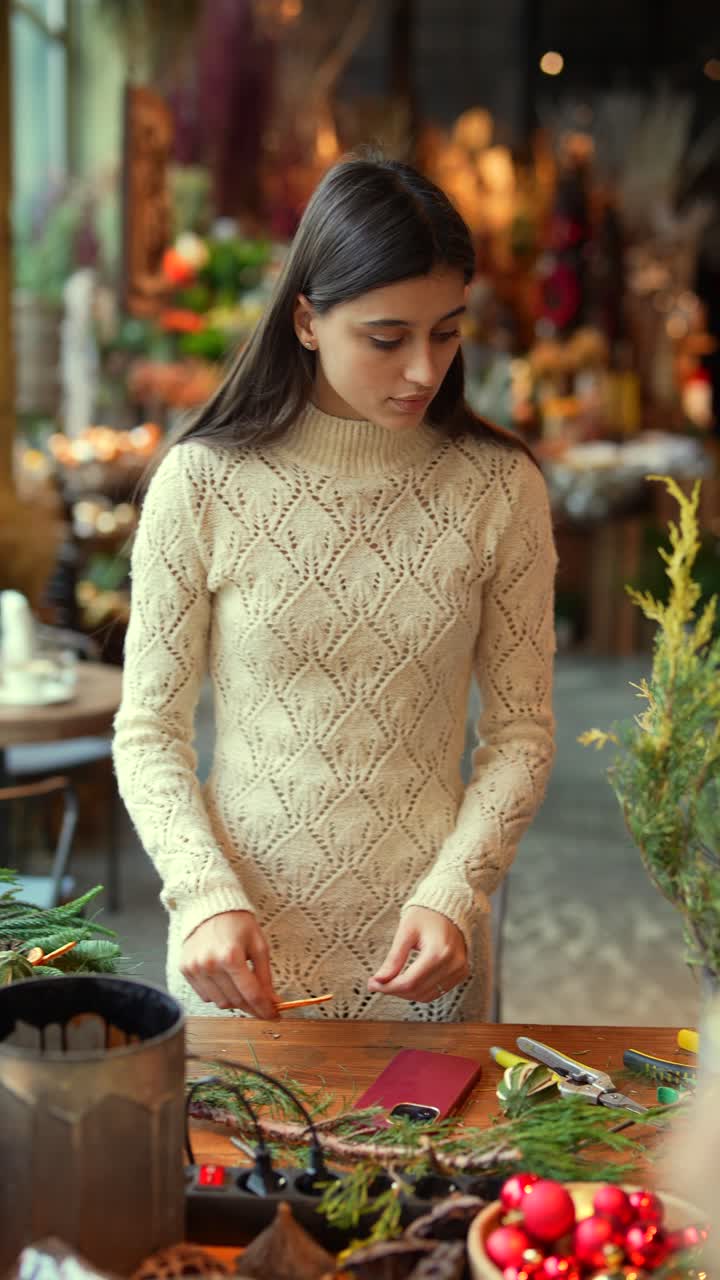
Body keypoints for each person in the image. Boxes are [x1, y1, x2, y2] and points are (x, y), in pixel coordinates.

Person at [113, 154, 557, 1022]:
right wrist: (201, 892)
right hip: (235, 957)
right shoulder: (202, 484)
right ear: (308, 321)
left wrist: (458, 891)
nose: (424, 370)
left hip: (429, 956)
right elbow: (149, 731)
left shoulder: (499, 488)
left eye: (447, 333)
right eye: (387, 339)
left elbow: (521, 735)